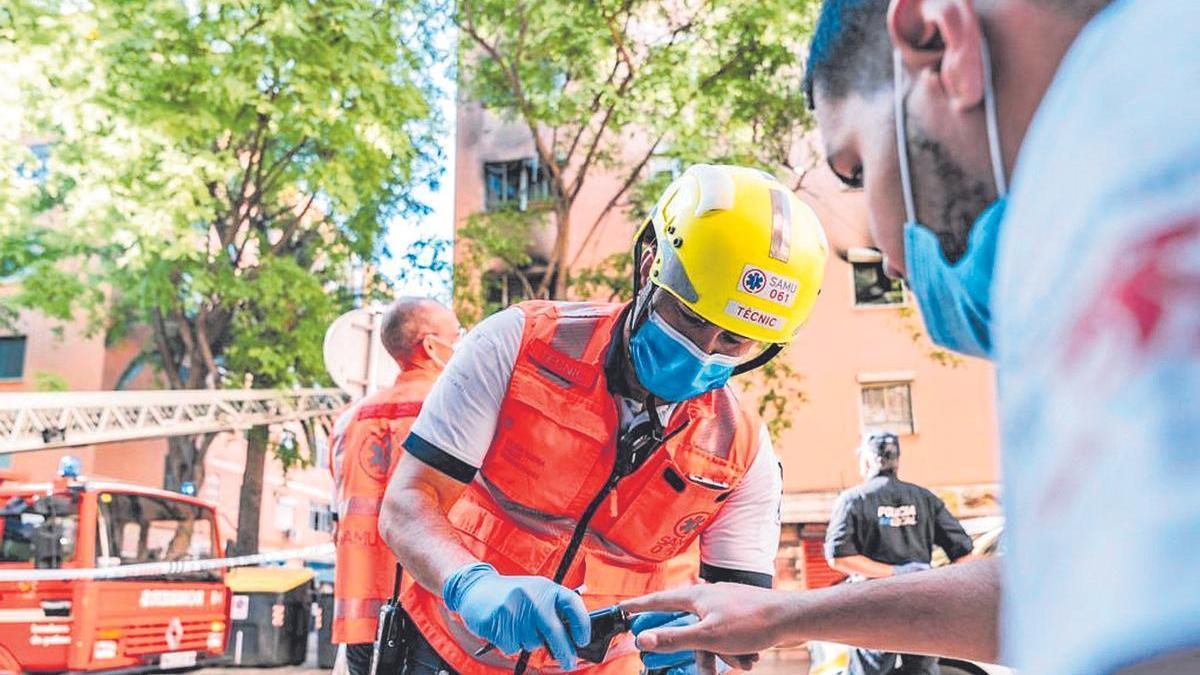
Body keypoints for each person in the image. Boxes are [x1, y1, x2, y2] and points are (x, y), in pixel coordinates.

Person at [624, 1, 1200, 673]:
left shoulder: (1119, 126)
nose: (881, 247)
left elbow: (1148, 633)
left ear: (936, 40)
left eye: (857, 169)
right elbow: (1076, 580)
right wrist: (781, 614)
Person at [376, 164, 828, 674]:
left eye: (731, 340)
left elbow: (743, 623)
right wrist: (471, 584)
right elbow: (406, 504)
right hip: (444, 652)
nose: (701, 352)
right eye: (692, 317)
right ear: (650, 264)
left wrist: (704, 644)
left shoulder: (742, 451)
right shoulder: (518, 345)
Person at [329, 297, 461, 675]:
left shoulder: (348, 421)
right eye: (457, 336)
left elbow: (338, 508)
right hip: (432, 613)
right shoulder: (455, 409)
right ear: (432, 347)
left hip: (360, 614)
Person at [825, 433, 974, 675]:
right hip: (921, 602)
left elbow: (839, 557)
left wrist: (891, 574)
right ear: (897, 461)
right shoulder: (925, 498)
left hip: (873, 604)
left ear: (868, 461)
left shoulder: (853, 500)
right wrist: (921, 578)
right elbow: (964, 555)